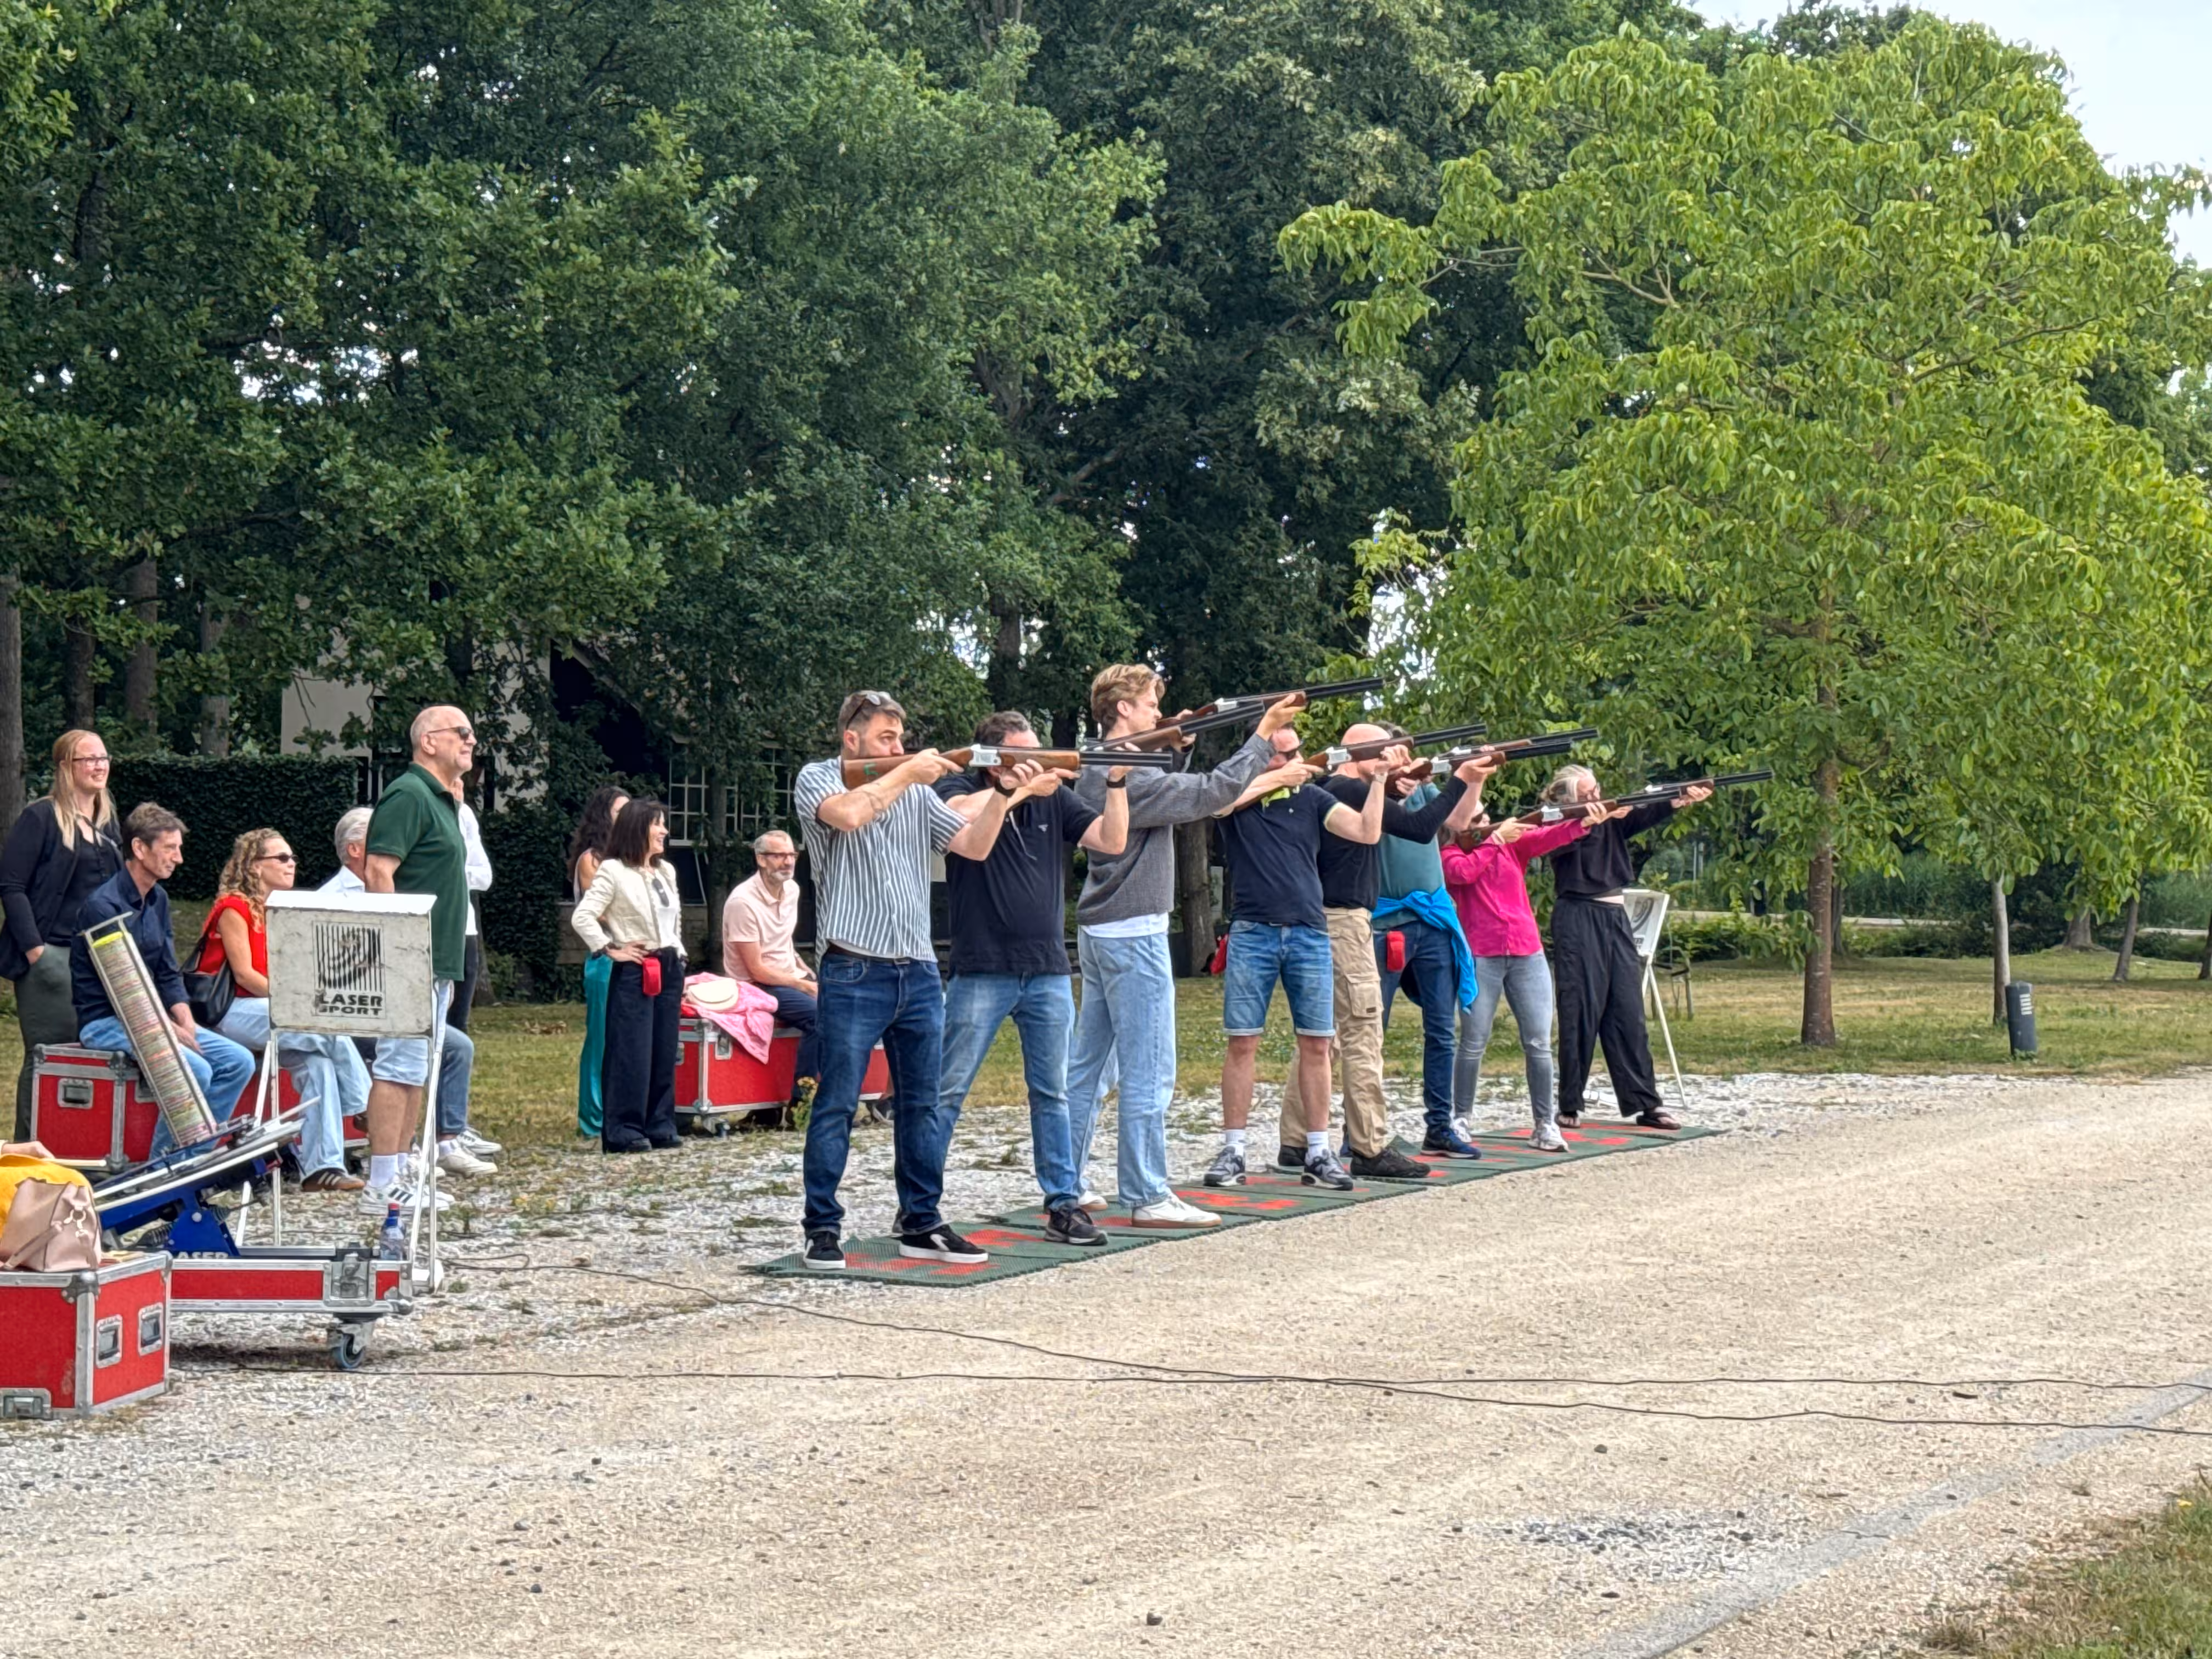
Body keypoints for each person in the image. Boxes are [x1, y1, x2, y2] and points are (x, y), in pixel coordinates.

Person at [792, 689, 1021, 1272]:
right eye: (886, 738)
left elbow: (971, 844)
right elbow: (848, 814)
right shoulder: (820, 778)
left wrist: (1001, 793)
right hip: (853, 964)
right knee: (838, 1102)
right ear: (853, 740)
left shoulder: (916, 790)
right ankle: (822, 1227)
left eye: (900, 737)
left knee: (922, 1104)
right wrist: (909, 772)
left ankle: (922, 1220)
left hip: (917, 967)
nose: (898, 746)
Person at [1065, 667, 1300, 1230]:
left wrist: (1181, 746)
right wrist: (1263, 734)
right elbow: (1213, 795)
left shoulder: (1109, 765)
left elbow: (1168, 792)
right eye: (1148, 705)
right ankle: (1146, 1192)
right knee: (1150, 1068)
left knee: (1089, 1069)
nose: (1154, 714)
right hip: (1134, 932)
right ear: (1122, 709)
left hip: (1105, 931)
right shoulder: (1117, 772)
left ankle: (1066, 1179)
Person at [934, 711, 1130, 1248]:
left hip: (1046, 968)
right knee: (948, 1091)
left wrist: (1117, 783)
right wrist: (1017, 791)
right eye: (1026, 752)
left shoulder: (1054, 797)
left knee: (1053, 1092)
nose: (1039, 761)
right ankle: (920, 1205)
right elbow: (958, 824)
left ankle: (1064, 1203)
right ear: (995, 758)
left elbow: (1111, 841)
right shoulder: (960, 785)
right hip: (981, 968)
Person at [1280, 723, 1483, 1179]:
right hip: (1345, 922)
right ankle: (1370, 1146)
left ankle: (1294, 1140)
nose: (1397, 760)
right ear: (1365, 755)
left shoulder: (1340, 788)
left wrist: (1404, 785)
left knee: (1323, 1037)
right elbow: (1419, 827)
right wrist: (1459, 778)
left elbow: (1424, 821)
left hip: (1330, 921)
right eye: (1387, 754)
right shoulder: (1350, 789)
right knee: (1362, 1033)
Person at [1202, 725, 1391, 1190]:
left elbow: (1367, 833)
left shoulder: (1312, 799)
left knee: (1318, 1043)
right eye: (1279, 753)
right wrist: (1279, 776)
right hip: (1252, 931)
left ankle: (1319, 1151)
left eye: (1296, 753)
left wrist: (1382, 780)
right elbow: (1219, 802)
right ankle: (1234, 1149)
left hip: (1310, 932)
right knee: (1243, 1042)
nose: (1292, 760)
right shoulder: (1239, 797)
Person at [195, 828, 374, 1190]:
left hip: (266, 1009)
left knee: (318, 1063)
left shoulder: (277, 909)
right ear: (255, 866)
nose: (292, 864)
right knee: (324, 1026)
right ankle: (366, 1107)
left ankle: (321, 1169)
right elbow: (245, 974)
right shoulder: (234, 906)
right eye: (282, 858)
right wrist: (295, 1002)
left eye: (292, 857)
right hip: (233, 1012)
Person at [358, 707, 480, 1215]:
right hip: (411, 956)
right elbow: (378, 870)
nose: (472, 741)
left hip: (438, 957)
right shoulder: (408, 794)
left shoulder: (442, 799)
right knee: (397, 1065)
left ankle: (401, 1168)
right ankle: (381, 1180)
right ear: (429, 741)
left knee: (415, 1068)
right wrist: (399, 951)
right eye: (463, 733)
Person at [1542, 765, 1711, 1131]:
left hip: (1615, 917)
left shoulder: (1613, 822)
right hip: (1577, 916)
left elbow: (1647, 811)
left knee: (1628, 1011)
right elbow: (1562, 843)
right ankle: (1570, 1101)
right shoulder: (1556, 827)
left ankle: (1645, 1103)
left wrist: (1680, 798)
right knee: (1580, 1009)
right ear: (1569, 801)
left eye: (1596, 790)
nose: (1595, 797)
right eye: (1586, 795)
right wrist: (1590, 821)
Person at [70, 803, 256, 1136]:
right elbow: (124, 996)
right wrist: (171, 1031)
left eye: (178, 848)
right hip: (105, 1021)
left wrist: (185, 1019)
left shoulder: (159, 899)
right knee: (194, 1071)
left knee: (239, 1062)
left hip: (155, 1019)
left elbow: (168, 972)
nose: (179, 858)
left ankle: (198, 1156)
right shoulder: (102, 907)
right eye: (170, 848)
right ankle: (171, 1164)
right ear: (140, 849)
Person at [326, 809, 489, 1185]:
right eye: (381, 839)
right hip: (355, 1011)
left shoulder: (400, 887)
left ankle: (446, 1139)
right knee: (403, 1057)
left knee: (456, 1045)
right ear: (355, 849)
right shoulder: (333, 898)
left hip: (403, 999)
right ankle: (392, 1163)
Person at [1441, 802, 1593, 1152]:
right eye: (1478, 819)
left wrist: (1584, 822)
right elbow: (1462, 874)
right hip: (1481, 954)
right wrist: (1494, 840)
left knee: (1539, 1042)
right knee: (1473, 1041)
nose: (1486, 821)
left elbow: (1550, 835)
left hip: (1527, 951)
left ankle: (1545, 1124)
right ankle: (1460, 1117)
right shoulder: (1450, 853)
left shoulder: (1511, 845)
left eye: (1485, 816)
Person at [1372, 726, 1493, 1159]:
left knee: (1441, 1030)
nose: (1404, 762)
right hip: (1386, 924)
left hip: (1432, 923)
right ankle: (1363, 1133)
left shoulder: (1424, 790)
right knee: (1372, 1032)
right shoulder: (1371, 794)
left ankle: (1440, 1127)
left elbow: (1460, 822)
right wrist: (1387, 784)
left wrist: (1475, 773)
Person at [1, 730, 124, 1139]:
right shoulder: (42, 817)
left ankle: (79, 1148)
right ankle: (28, 1152)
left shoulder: (107, 823)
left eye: (103, 757)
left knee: (95, 1059)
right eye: (87, 758)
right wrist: (36, 950)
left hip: (102, 960)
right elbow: (11, 885)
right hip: (52, 957)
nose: (98, 765)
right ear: (64, 768)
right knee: (49, 1058)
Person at [571, 798, 686, 1153]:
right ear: (639, 828)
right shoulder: (613, 871)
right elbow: (583, 916)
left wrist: (680, 953)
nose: (665, 831)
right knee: (632, 1051)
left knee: (664, 1049)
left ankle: (660, 1123)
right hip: (637, 968)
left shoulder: (666, 871)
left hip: (668, 966)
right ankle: (623, 1129)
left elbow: (674, 919)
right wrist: (610, 948)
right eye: (658, 825)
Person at [720, 828, 817, 1102]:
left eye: (792, 855)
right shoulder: (743, 902)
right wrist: (803, 985)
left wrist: (803, 968)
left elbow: (781, 940)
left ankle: (843, 1097)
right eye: (778, 856)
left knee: (850, 1003)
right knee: (820, 1016)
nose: (787, 862)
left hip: (788, 976)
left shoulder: (793, 890)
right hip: (755, 985)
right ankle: (803, 1102)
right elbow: (756, 970)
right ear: (761, 859)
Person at [568, 787, 629, 1138]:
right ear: (603, 816)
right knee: (602, 1039)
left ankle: (621, 1108)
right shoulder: (592, 859)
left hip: (632, 956)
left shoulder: (630, 860)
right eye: (619, 812)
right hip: (604, 957)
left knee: (626, 1039)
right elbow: (604, 913)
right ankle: (594, 1117)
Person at [452, 792, 493, 1034]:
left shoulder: (464, 813)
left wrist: (451, 872)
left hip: (464, 928)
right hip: (427, 924)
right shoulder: (412, 804)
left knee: (458, 1024)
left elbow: (484, 877)